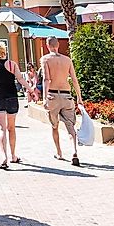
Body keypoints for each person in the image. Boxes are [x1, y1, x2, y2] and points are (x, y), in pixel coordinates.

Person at [41, 37, 85, 166]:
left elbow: (46, 79)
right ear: (58, 44)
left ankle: (59, 153)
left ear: (47, 45)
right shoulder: (67, 60)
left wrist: (44, 98)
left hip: (52, 96)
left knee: (54, 126)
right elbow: (75, 80)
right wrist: (79, 98)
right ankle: (74, 151)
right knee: (71, 128)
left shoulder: (45, 59)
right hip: (67, 96)